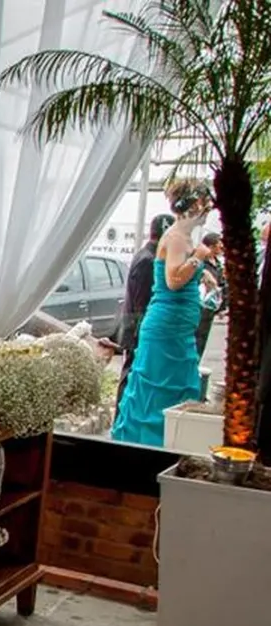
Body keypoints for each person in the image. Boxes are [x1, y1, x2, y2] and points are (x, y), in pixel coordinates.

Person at [112, 179, 217, 446]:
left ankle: (170, 440)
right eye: (204, 204)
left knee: (175, 387)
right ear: (193, 205)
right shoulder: (177, 238)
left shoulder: (183, 238)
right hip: (166, 330)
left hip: (177, 329)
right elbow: (173, 280)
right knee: (158, 392)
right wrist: (199, 257)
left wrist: (200, 273)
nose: (207, 210)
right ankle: (152, 444)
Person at [116, 213, 175, 404]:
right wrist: (142, 332)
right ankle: (122, 415)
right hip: (137, 329)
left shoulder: (149, 256)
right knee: (131, 375)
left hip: (138, 327)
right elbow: (141, 302)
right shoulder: (148, 260)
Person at [194, 230, 224, 356]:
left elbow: (221, 284)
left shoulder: (218, 263)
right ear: (211, 246)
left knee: (202, 339)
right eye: (219, 243)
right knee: (196, 338)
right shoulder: (200, 263)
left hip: (210, 307)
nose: (222, 246)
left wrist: (221, 307)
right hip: (199, 305)